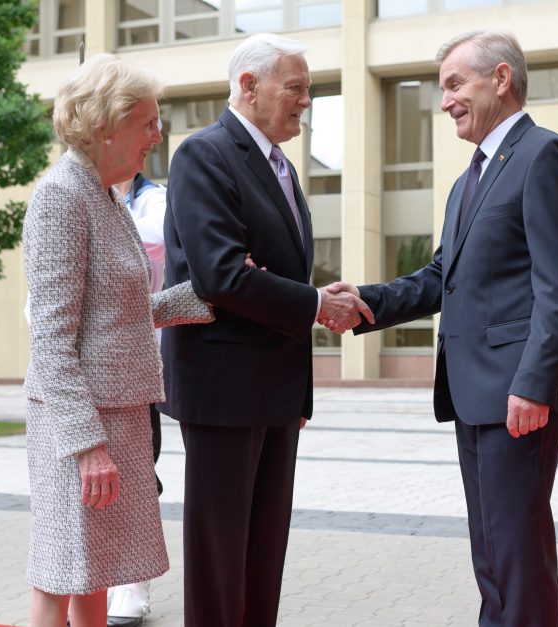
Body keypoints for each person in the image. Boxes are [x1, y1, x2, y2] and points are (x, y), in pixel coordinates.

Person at [327, 31, 558, 626]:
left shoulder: (545, 156)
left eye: (455, 84)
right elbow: (442, 277)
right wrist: (366, 301)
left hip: (517, 395)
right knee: (491, 549)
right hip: (473, 392)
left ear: (501, 79)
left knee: (517, 550)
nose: (446, 100)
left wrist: (536, 384)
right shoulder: (468, 182)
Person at [160, 33, 372, 627]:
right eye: (296, 88)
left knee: (263, 558)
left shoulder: (280, 165)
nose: (307, 100)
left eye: (310, 90)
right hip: (224, 391)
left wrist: (303, 314)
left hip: (275, 393)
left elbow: (266, 272)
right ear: (249, 87)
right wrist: (313, 304)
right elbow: (222, 273)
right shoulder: (203, 154)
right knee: (220, 558)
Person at [22, 54, 213, 627]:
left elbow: (114, 314)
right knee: (60, 574)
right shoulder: (62, 196)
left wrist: (199, 298)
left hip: (116, 415)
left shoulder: (103, 194)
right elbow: (53, 339)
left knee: (94, 573)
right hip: (79, 423)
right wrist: (87, 446)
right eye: (148, 122)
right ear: (106, 125)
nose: (158, 135)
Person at [102, 172, 166, 626]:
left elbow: (161, 242)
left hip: (142, 368)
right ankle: (93, 585)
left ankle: (131, 587)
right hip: (92, 368)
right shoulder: (75, 195)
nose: (155, 135)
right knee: (89, 485)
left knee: (137, 478)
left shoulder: (157, 202)